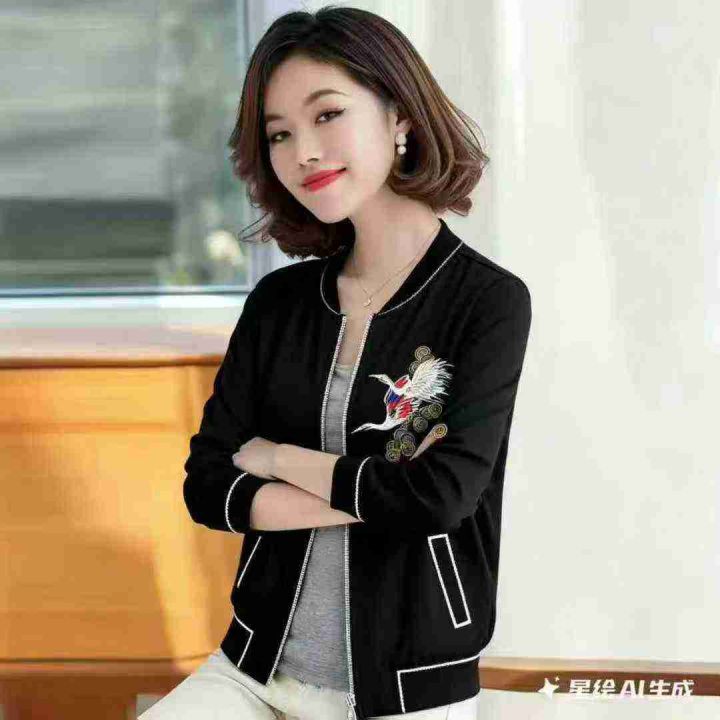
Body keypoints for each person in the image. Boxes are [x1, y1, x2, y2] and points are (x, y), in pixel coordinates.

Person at [141, 5, 531, 719]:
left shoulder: (488, 302)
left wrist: (278, 459)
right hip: (252, 667)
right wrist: (384, 494)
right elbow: (209, 486)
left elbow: (442, 498)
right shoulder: (279, 303)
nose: (304, 153)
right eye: (280, 134)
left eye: (327, 115)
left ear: (399, 115)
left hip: (404, 687)